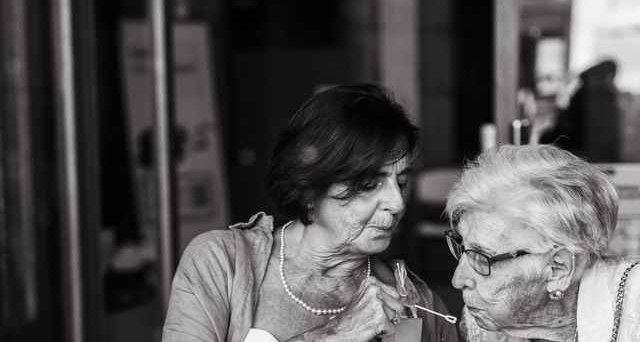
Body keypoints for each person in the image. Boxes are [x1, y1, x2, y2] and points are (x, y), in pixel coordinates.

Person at [162, 84, 458, 342]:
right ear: (310, 187)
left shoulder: (415, 303)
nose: (397, 203)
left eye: (402, 182)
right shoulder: (220, 263)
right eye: (369, 184)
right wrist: (337, 334)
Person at [444, 144, 640, 342]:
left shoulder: (634, 315)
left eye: (481, 258)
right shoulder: (485, 320)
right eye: (463, 248)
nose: (458, 280)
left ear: (558, 268)